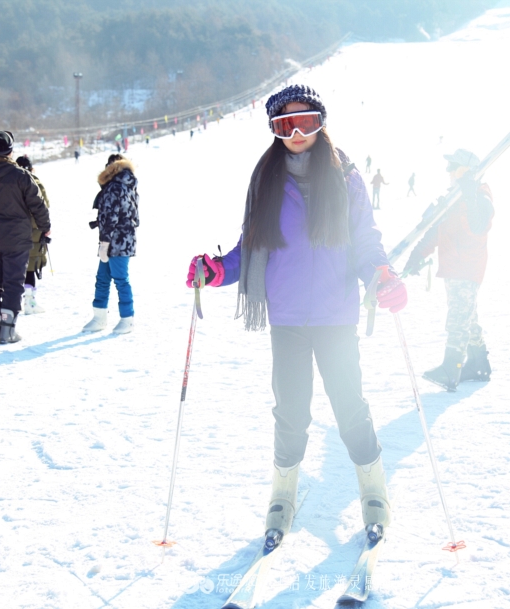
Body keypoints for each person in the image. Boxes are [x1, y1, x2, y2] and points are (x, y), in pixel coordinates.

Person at [184, 84, 406, 545]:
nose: (298, 132)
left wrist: (382, 276)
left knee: (350, 408)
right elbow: (250, 248)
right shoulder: (266, 179)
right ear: (274, 130)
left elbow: (365, 242)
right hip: (286, 319)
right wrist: (216, 269)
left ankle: (374, 492)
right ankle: (282, 495)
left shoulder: (346, 177)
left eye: (307, 121)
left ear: (322, 124)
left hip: (335, 316)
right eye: (286, 125)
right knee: (290, 412)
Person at [404, 149, 493, 391]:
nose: (449, 172)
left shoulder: (480, 197)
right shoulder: (456, 198)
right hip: (454, 266)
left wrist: (470, 194)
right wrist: (417, 255)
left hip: (467, 266)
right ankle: (479, 364)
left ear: (467, 171)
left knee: (458, 319)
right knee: (467, 316)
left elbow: (478, 226)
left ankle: (450, 369)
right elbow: (437, 230)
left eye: (454, 167)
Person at [0, 131, 51, 344]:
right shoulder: (21, 176)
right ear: (10, 151)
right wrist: (45, 227)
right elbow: (38, 204)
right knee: (13, 283)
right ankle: (7, 331)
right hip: (16, 238)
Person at [81, 154, 140, 334]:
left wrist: (104, 243)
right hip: (122, 240)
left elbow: (110, 217)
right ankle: (99, 317)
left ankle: (127, 319)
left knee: (120, 279)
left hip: (116, 241)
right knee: (103, 278)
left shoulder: (115, 187)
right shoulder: (129, 185)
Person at [16, 155, 50, 315]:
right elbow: (44, 206)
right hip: (34, 231)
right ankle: (29, 303)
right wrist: (45, 227)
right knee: (30, 267)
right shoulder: (35, 182)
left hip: (13, 231)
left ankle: (8, 303)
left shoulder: (11, 182)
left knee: (11, 267)